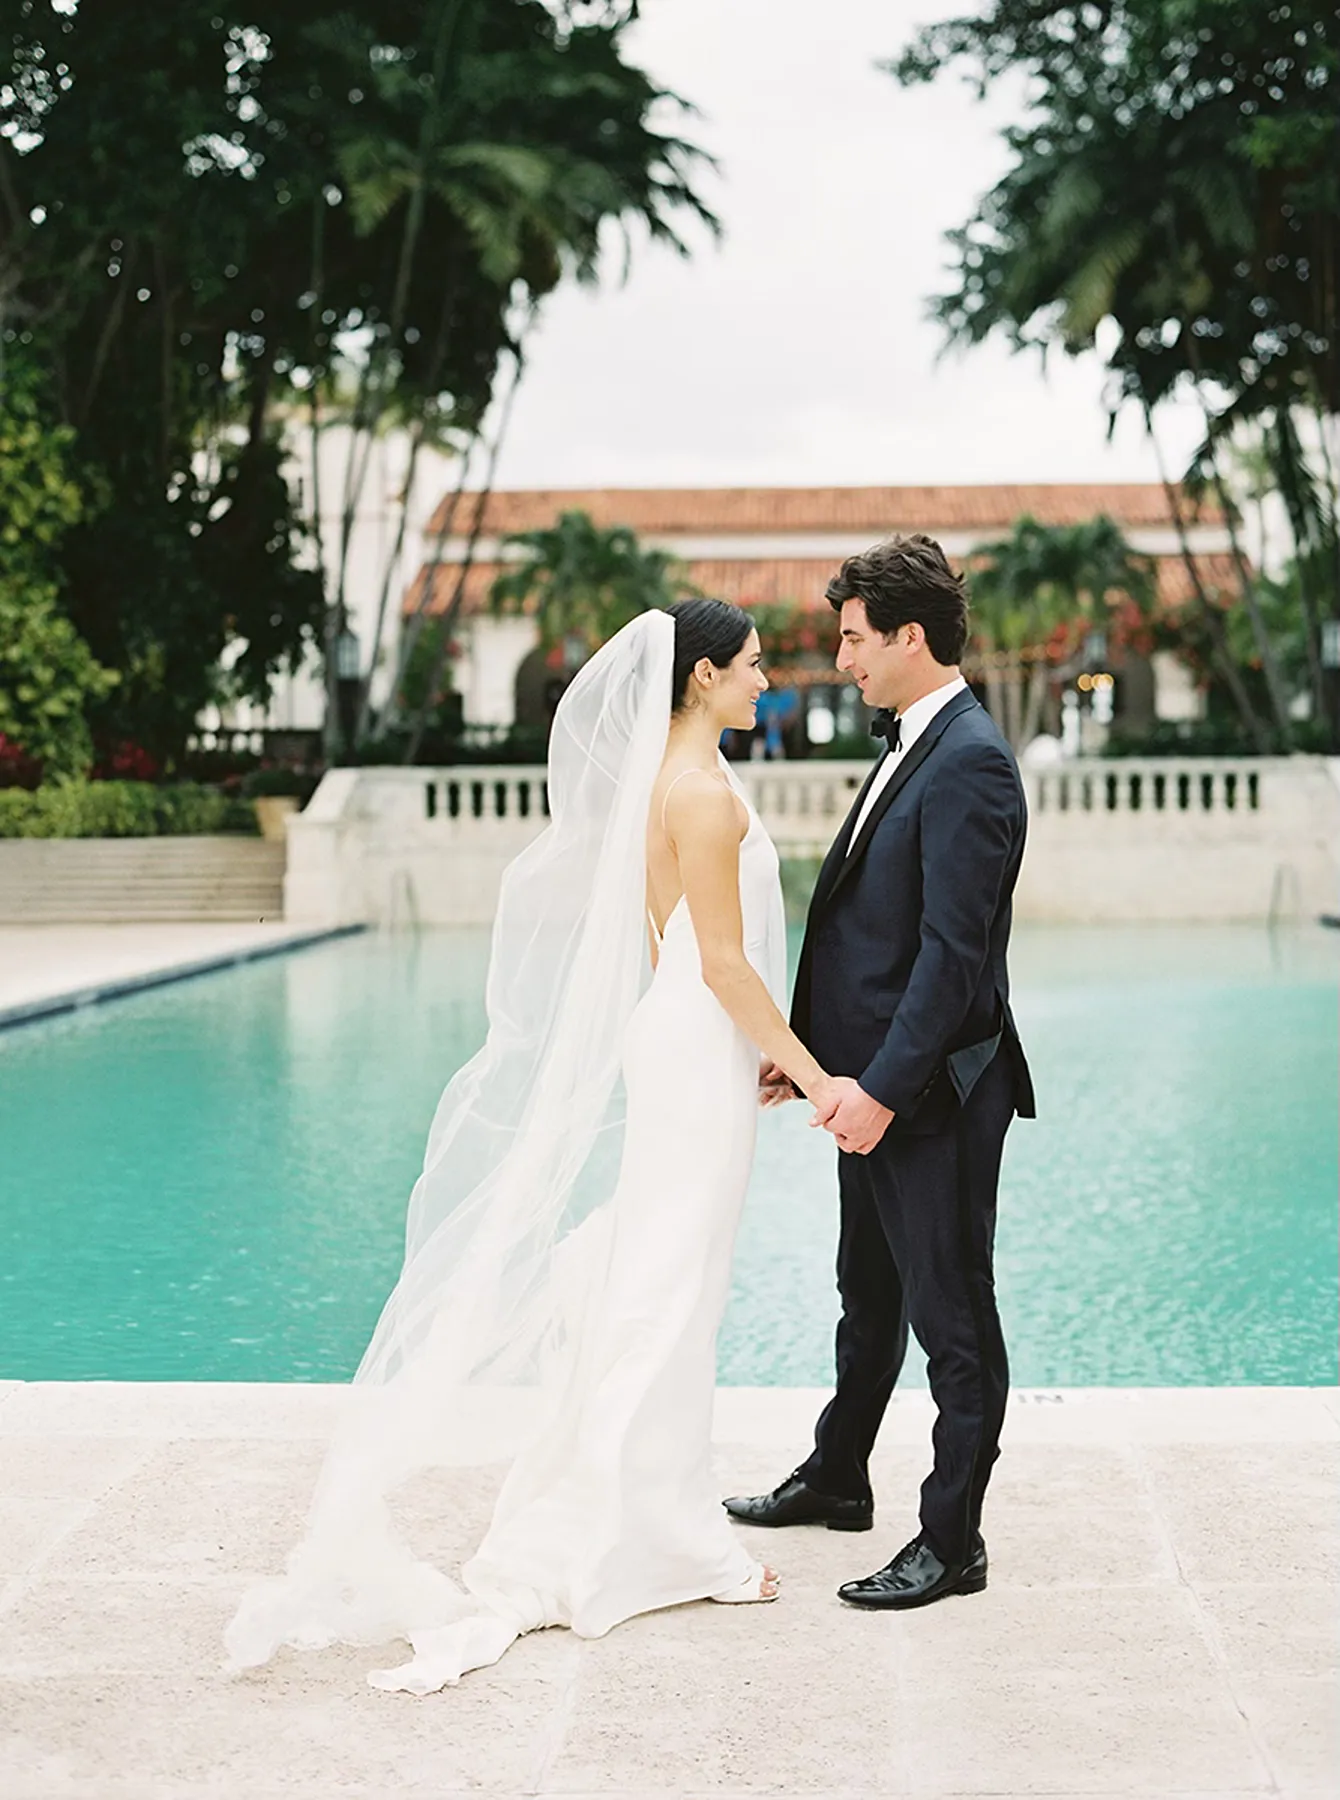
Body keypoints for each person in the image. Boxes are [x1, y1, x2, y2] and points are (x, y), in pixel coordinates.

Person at [225, 601, 842, 1691]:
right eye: (751, 666)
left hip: (690, 1041)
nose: (767, 682)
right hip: (697, 1042)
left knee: (674, 1282)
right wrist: (811, 1066)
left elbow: (695, 965)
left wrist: (755, 1052)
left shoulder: (677, 776)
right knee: (668, 1289)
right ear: (699, 675)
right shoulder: (698, 792)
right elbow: (725, 966)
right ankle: (658, 1536)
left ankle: (672, 1518)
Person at [728, 534, 1035, 1611]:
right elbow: (872, 933)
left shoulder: (971, 760)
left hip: (931, 1096)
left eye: (854, 640)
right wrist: (813, 1066)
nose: (842, 659)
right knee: (868, 1295)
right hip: (866, 1084)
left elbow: (954, 960)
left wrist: (882, 1089)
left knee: (952, 1319)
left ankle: (950, 1541)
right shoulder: (915, 740)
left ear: (909, 637)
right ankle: (837, 1474)